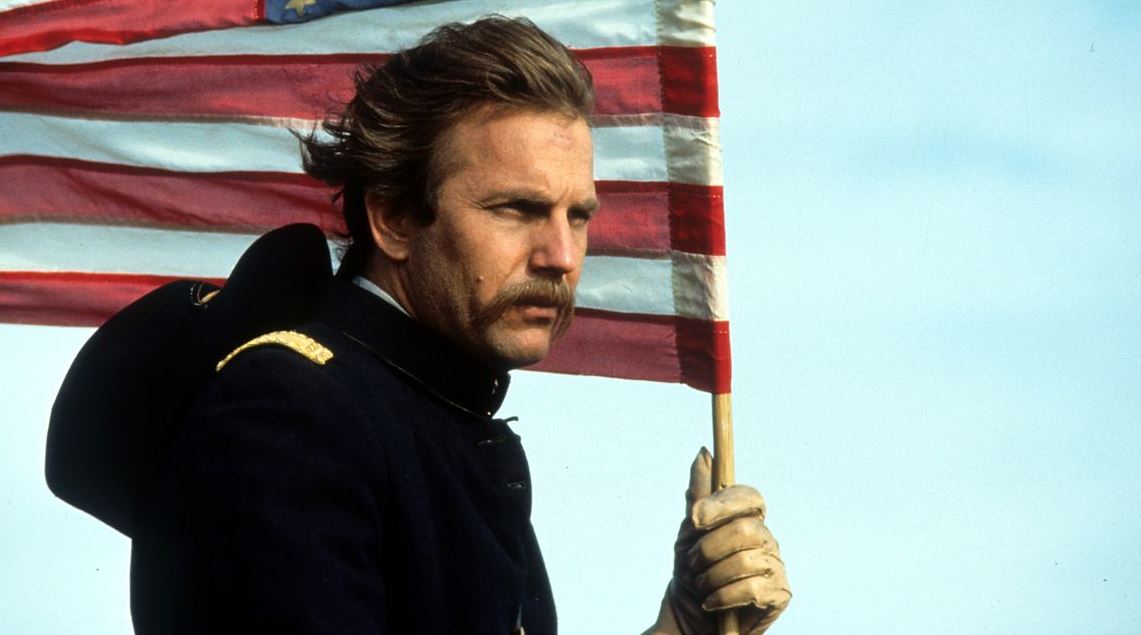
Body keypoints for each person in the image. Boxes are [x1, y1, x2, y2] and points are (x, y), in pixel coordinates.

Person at [95, 16, 789, 634]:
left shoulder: (430, 417)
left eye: (577, 216)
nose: (561, 255)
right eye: (517, 209)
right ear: (394, 217)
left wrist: (683, 625)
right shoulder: (293, 411)